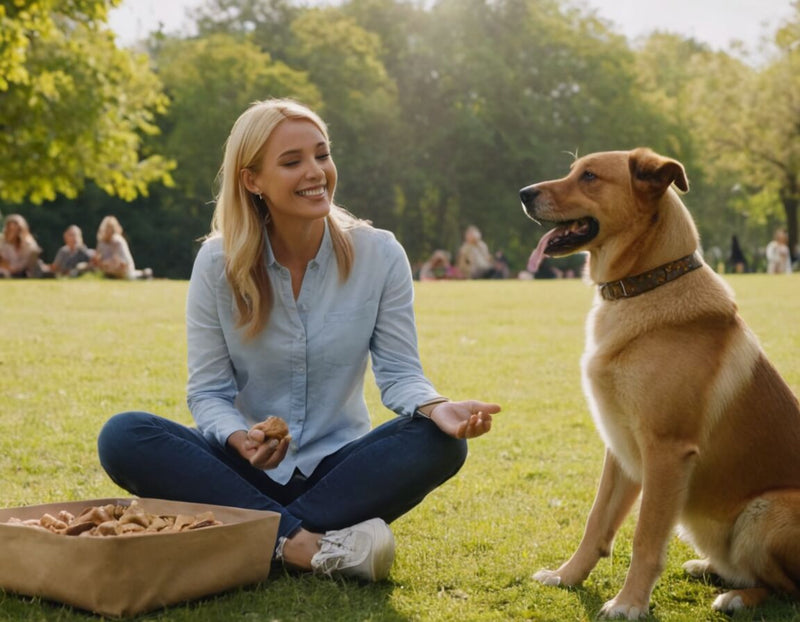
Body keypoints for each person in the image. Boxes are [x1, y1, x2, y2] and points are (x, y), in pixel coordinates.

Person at [97, 99, 500, 582]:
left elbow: (399, 375)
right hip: (242, 468)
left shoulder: (381, 254)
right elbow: (208, 392)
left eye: (322, 155)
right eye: (292, 162)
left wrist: (437, 407)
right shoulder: (216, 263)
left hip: (339, 473)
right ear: (252, 181)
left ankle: (255, 534)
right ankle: (308, 547)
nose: (316, 172)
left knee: (442, 444)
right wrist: (240, 439)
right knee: (124, 435)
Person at [0, 214, 44, 278]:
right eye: (10, 229)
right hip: (6, 269)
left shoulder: (29, 243)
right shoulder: (2, 241)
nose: (12, 232)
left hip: (24, 270)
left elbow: (28, 261)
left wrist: (15, 269)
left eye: (15, 230)